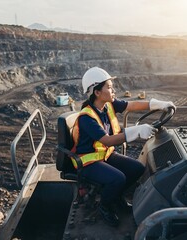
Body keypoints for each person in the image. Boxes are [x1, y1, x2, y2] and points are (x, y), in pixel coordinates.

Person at [71, 66, 175, 227]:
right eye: (109, 87)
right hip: (88, 162)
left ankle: (115, 196)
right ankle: (104, 206)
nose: (113, 90)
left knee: (137, 168)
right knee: (118, 178)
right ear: (97, 92)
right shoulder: (87, 118)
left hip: (104, 155)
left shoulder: (108, 105)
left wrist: (157, 104)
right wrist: (137, 131)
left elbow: (131, 105)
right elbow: (107, 140)